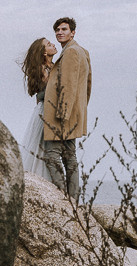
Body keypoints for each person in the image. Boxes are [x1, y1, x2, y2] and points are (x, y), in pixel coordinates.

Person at [41, 17, 92, 199]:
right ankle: (73, 200)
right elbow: (87, 85)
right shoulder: (82, 51)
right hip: (73, 112)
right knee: (70, 156)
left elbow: (68, 85)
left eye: (64, 29)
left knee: (52, 155)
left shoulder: (71, 52)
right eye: (57, 30)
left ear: (73, 33)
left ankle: (63, 198)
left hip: (62, 113)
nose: (59, 32)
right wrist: (80, 109)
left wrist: (63, 113)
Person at [19, 36, 57, 177]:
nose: (53, 44)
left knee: (48, 148)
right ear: (44, 52)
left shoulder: (52, 66)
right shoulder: (43, 69)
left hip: (47, 109)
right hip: (45, 111)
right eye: (49, 44)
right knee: (43, 147)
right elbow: (50, 89)